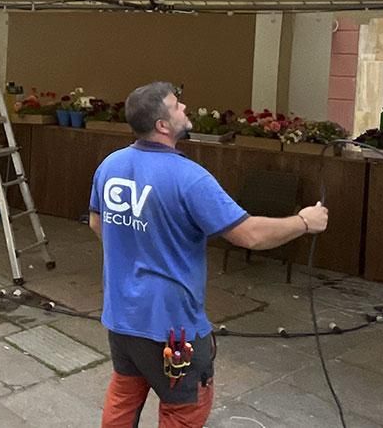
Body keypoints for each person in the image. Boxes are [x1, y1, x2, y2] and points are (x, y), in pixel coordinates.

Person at [90, 81, 328, 427]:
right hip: (173, 328)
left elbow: (98, 224)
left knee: (124, 398)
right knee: (183, 410)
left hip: (122, 317)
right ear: (162, 125)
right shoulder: (190, 178)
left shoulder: (111, 165)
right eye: (176, 106)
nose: (185, 108)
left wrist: (136, 248)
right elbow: (249, 235)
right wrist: (304, 222)